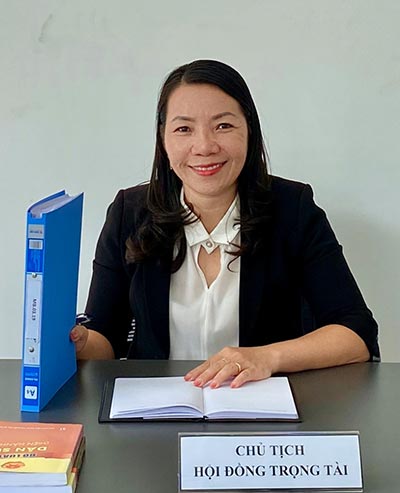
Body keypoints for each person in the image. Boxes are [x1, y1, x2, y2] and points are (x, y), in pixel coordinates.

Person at [70, 59, 379, 388]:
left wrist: (266, 357)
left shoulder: (293, 209)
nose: (204, 147)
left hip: (260, 406)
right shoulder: (129, 213)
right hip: (155, 407)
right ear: (163, 139)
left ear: (249, 131)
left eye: (223, 126)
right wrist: (78, 341)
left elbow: (356, 333)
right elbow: (104, 340)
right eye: (184, 129)